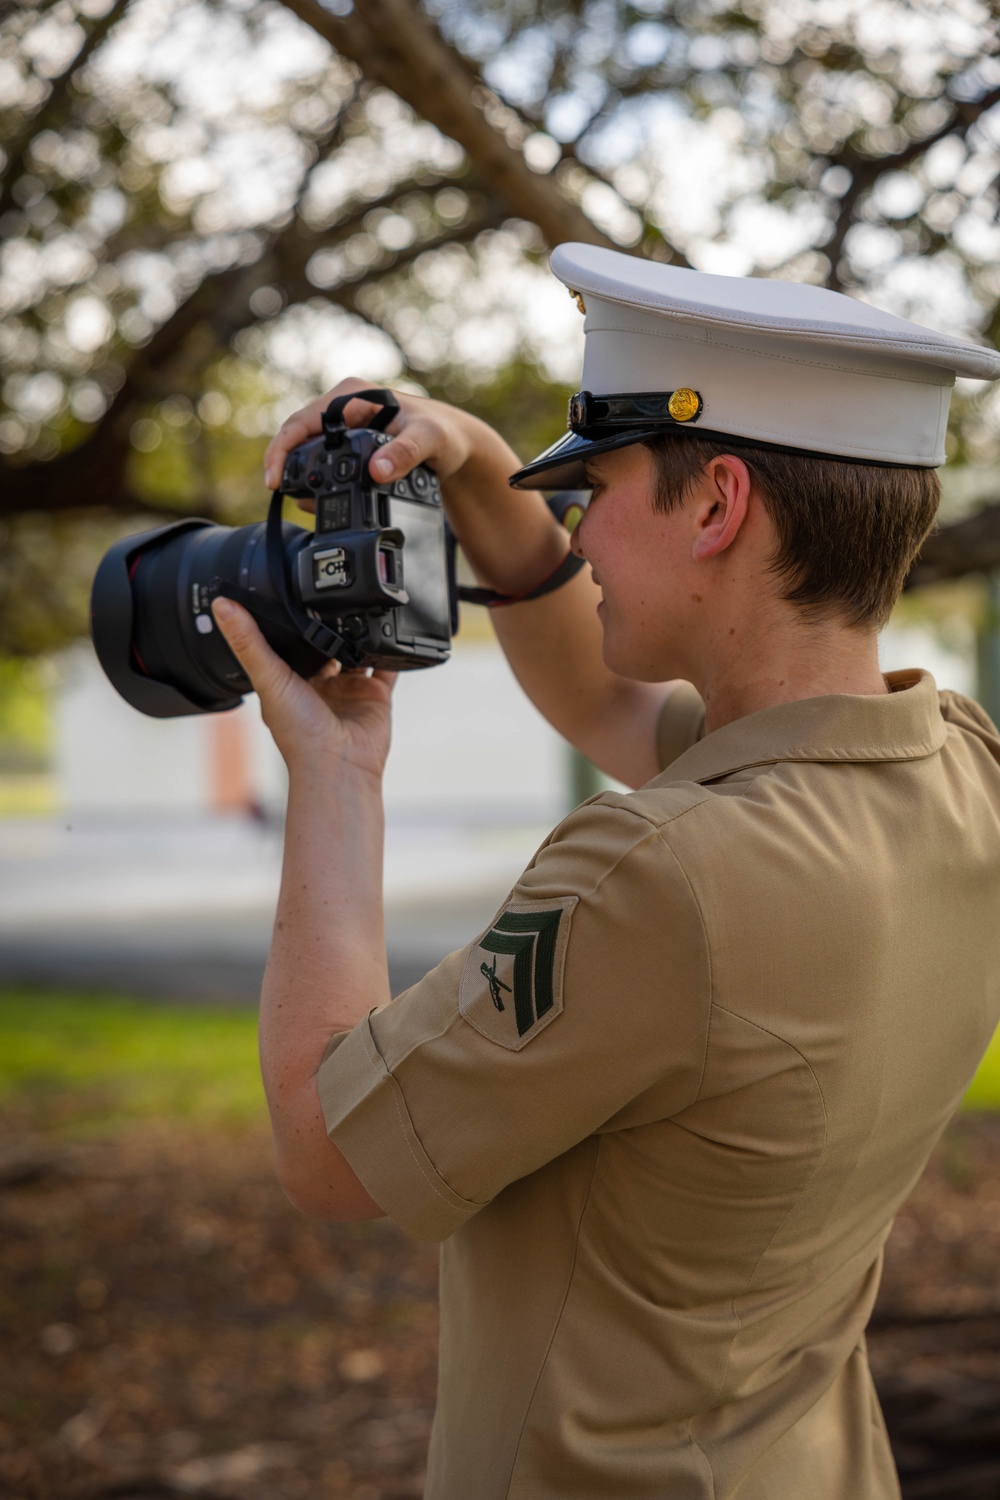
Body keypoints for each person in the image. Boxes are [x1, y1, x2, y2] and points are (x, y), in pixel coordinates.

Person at [211, 244, 1000, 1499]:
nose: (578, 526)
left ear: (714, 506)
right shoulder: (955, 769)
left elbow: (327, 1145)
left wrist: (335, 778)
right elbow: (602, 691)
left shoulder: (662, 870)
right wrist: (469, 460)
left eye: (599, 488)